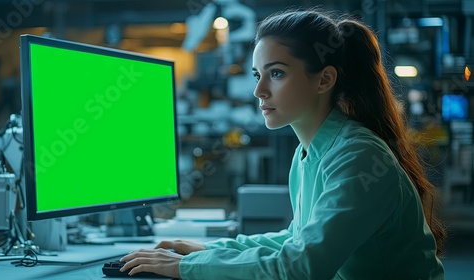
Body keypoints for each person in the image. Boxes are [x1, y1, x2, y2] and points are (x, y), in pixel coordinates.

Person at [119, 7, 446, 279]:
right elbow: (298, 240)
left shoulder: (356, 156)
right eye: (256, 74)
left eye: (275, 74)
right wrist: (212, 251)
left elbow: (302, 266)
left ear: (325, 79)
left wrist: (187, 267)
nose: (258, 91)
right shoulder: (309, 153)